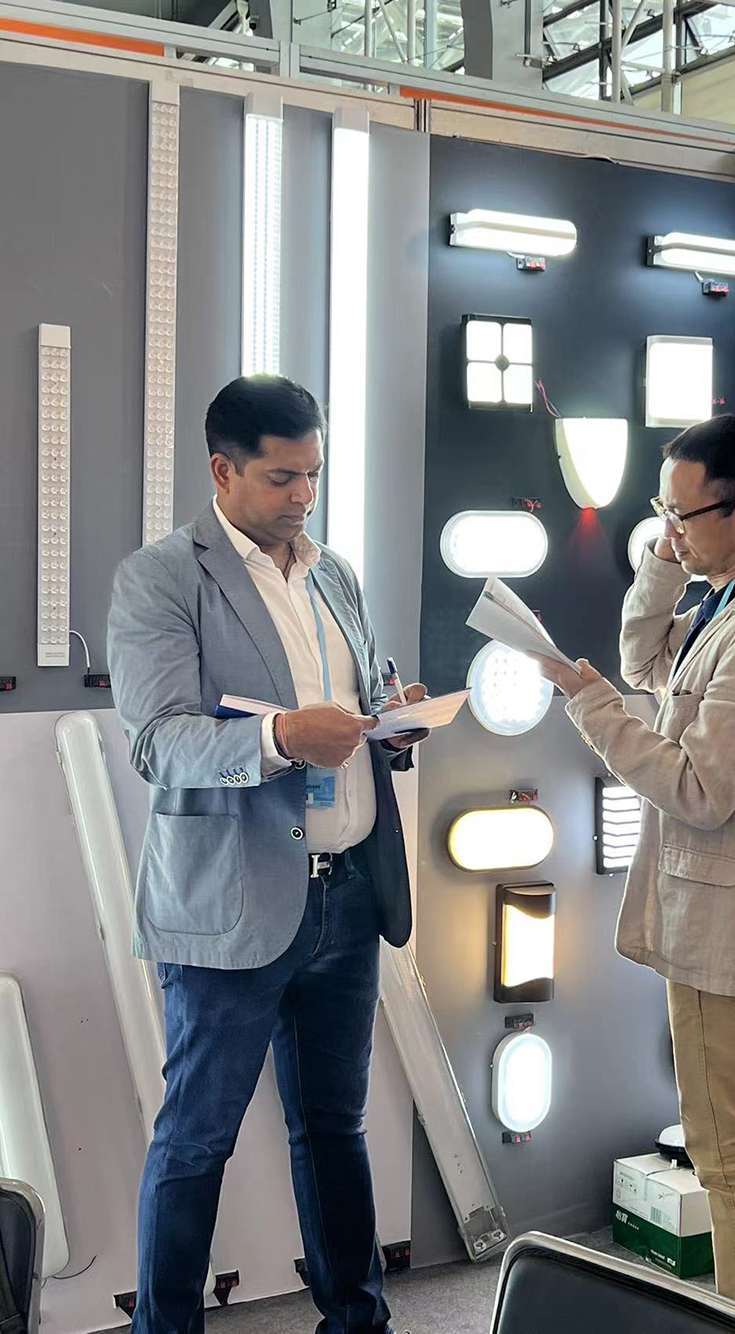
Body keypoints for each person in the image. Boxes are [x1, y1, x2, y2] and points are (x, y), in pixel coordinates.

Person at [107, 375, 422, 1334]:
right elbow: (158, 741)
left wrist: (394, 720)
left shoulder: (334, 574)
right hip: (230, 902)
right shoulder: (162, 578)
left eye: (314, 475)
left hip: (348, 895)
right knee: (196, 1140)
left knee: (334, 1128)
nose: (303, 496)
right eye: (283, 478)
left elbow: (363, 699)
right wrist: (281, 736)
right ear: (222, 471)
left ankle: (357, 1320)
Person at [534, 415, 735, 1326]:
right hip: (726, 918)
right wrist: (665, 559)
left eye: (683, 514)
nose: (670, 529)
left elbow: (699, 788)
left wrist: (591, 708)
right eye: (663, 511)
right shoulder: (733, 601)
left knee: (731, 1156)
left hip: (733, 930)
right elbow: (642, 659)